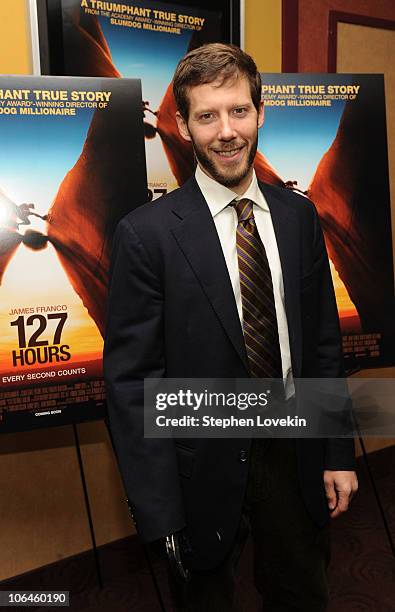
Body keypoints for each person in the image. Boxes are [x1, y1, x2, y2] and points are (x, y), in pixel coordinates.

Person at [104, 43, 358, 611]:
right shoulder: (146, 235)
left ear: (261, 112)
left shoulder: (298, 218)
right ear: (182, 123)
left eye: (239, 111)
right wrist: (159, 507)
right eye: (207, 115)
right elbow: (131, 383)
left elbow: (321, 346)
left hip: (294, 450)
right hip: (199, 463)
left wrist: (338, 451)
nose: (226, 131)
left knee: (302, 594)